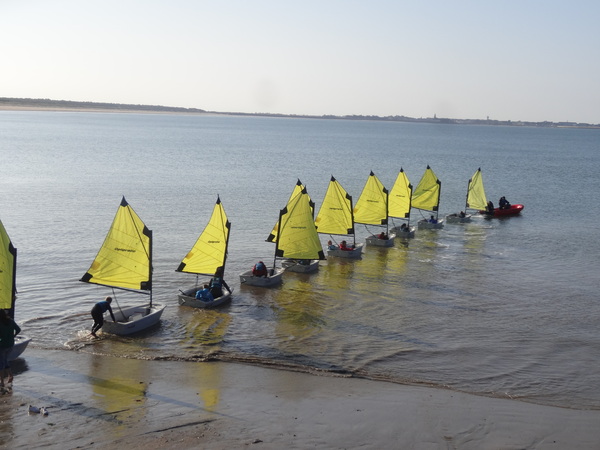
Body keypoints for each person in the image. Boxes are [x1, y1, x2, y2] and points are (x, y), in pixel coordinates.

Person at [0, 309, 21, 387]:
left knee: (1, 363)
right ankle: (10, 375)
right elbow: (18, 329)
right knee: (4, 360)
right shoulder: (11, 321)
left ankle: (1, 382)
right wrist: (14, 336)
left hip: (2, 345)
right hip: (10, 344)